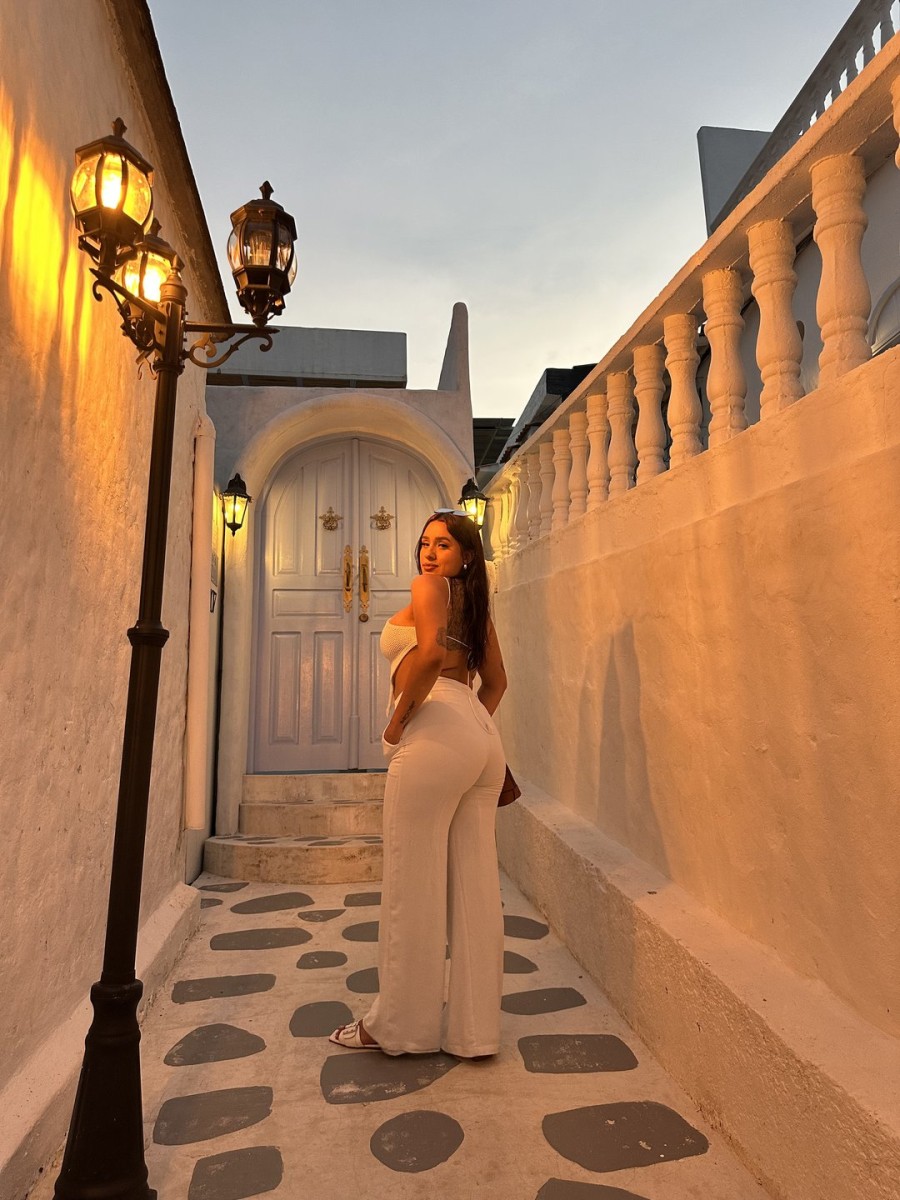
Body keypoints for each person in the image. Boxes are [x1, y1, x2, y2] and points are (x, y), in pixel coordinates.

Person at [329, 509, 508, 1057]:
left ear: (466, 555)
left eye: (443, 545)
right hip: (480, 737)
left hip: (434, 729)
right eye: (426, 543)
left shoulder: (428, 587)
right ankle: (476, 1033)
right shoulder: (474, 604)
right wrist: (469, 731)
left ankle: (399, 1028)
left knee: (412, 885)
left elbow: (429, 654)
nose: (430, 554)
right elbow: (496, 683)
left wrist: (397, 724)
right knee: (476, 888)